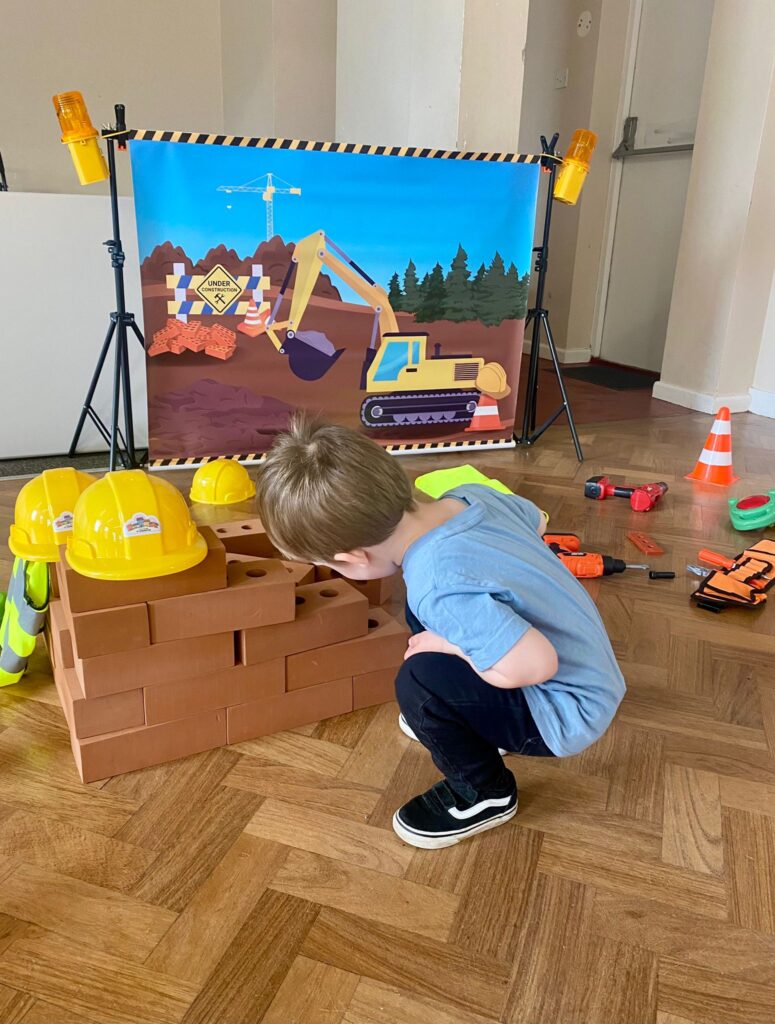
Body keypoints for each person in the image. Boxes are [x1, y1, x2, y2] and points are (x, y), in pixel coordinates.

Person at [258, 415, 625, 849]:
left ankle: (486, 793)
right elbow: (535, 523)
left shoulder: (437, 583)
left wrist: (451, 644)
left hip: (565, 710)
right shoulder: (473, 495)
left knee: (419, 684)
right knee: (427, 617)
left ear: (353, 558)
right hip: (593, 669)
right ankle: (473, 719)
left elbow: (536, 664)